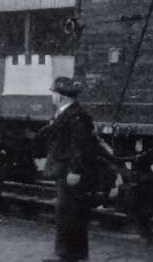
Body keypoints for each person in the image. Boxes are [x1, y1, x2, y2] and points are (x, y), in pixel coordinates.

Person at [39, 76, 99, 262]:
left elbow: (79, 147)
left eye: (54, 93)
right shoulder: (66, 113)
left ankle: (67, 255)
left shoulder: (76, 116)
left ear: (61, 96)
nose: (52, 97)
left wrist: (75, 170)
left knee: (68, 213)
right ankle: (76, 255)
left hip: (69, 172)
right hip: (64, 170)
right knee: (70, 212)